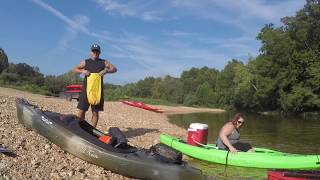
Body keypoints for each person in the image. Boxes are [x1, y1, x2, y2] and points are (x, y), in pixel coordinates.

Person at [73, 44, 117, 127]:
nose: (95, 53)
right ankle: (79, 128)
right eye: (94, 51)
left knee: (95, 112)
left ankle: (92, 130)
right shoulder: (85, 62)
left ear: (99, 52)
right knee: (81, 111)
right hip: (86, 90)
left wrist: (106, 70)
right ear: (90, 52)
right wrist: (82, 71)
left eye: (97, 51)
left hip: (97, 91)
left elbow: (114, 69)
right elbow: (75, 69)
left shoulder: (104, 62)